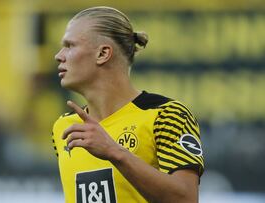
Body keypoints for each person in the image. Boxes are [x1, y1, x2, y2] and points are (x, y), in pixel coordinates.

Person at [52, 6, 204, 203]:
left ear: (103, 53)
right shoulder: (64, 128)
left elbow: (186, 199)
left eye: (70, 45)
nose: (59, 55)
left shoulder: (165, 115)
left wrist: (114, 152)